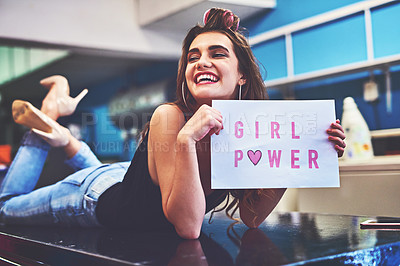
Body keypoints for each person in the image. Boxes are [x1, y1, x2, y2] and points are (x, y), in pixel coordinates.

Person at [1, 8, 346, 239]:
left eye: (217, 53)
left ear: (241, 74)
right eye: (193, 56)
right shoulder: (171, 117)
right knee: (6, 207)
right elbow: (188, 226)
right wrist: (185, 141)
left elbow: (252, 217)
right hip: (92, 198)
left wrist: (289, 158)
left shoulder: (249, 132)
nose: (201, 62)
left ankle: (64, 136)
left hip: (123, 179)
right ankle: (43, 130)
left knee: (123, 181)